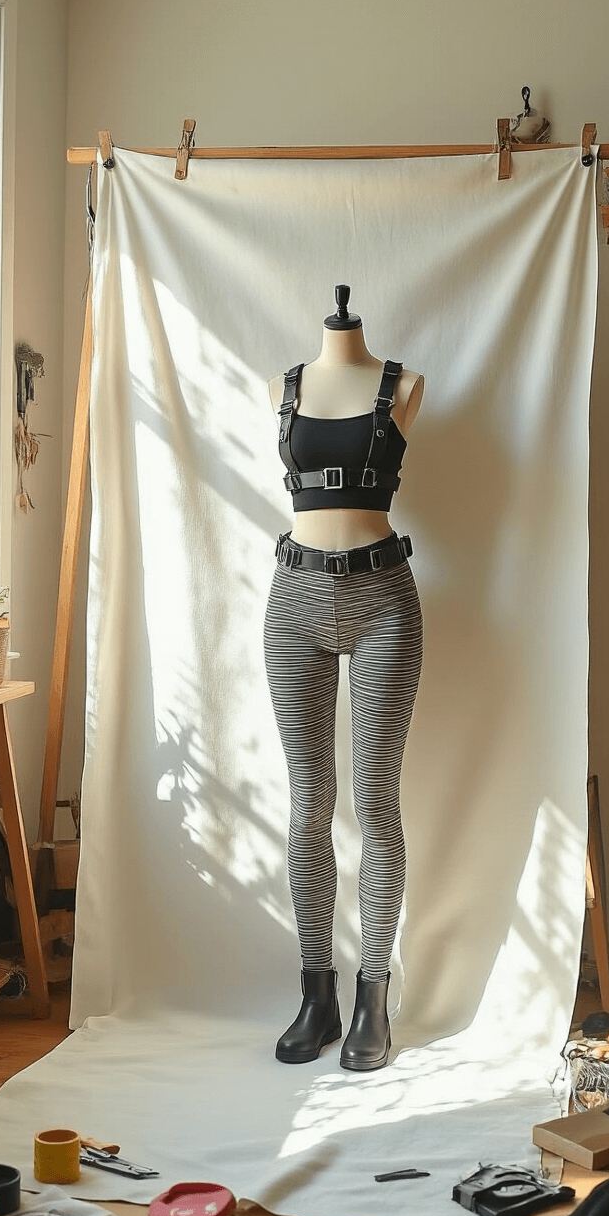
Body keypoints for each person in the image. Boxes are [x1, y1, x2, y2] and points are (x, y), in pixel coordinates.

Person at [264, 286, 424, 1071]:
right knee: (307, 801)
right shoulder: (283, 386)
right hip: (293, 597)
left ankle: (373, 994)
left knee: (374, 798)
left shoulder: (404, 387)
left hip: (383, 598)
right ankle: (315, 992)